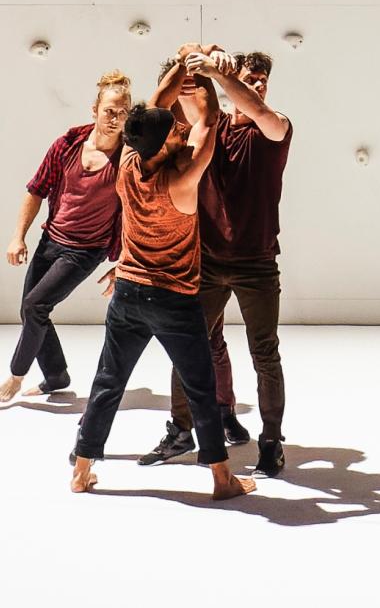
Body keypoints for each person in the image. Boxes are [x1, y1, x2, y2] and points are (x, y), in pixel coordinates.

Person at [70, 67, 257, 500]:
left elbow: (155, 105)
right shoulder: (183, 179)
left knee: (107, 382)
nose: (179, 129)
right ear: (165, 143)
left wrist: (180, 62)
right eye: (174, 130)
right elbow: (209, 120)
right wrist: (204, 72)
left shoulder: (128, 163)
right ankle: (222, 479)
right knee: (201, 389)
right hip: (174, 300)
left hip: (129, 294)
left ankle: (81, 470)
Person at [142, 49, 292, 477]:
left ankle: (271, 441)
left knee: (265, 353)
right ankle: (179, 430)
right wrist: (203, 60)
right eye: (251, 77)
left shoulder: (274, 127)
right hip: (206, 261)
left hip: (257, 263)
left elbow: (257, 108)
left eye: (263, 79)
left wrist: (223, 74)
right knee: (185, 345)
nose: (259, 84)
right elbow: (175, 102)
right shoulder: (210, 129)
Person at [2, 71, 131, 404]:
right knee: (31, 309)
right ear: (95, 109)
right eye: (110, 111)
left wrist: (126, 262)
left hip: (86, 250)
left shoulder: (129, 159)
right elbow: (36, 190)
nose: (116, 119)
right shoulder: (67, 144)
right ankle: (57, 376)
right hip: (51, 240)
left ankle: (15, 377)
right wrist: (18, 237)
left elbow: (138, 213)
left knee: (35, 305)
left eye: (123, 112)